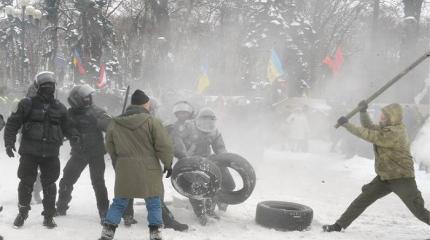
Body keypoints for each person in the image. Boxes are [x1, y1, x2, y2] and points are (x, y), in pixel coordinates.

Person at [323, 101, 430, 232]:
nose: (381, 118)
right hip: (384, 177)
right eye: (381, 115)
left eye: (384, 116)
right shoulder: (387, 128)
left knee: (419, 211)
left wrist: (347, 125)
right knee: (362, 200)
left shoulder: (395, 133)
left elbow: (369, 135)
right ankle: (339, 225)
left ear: (393, 117)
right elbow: (369, 128)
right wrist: (363, 112)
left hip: (401, 178)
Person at [4, 71, 75, 228]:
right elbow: (12, 124)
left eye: (50, 86)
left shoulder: (60, 108)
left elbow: (69, 128)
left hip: (50, 153)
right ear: (37, 87)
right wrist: (8, 143)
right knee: (26, 182)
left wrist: (76, 141)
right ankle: (22, 213)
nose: (48, 89)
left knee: (50, 184)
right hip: (30, 152)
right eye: (45, 86)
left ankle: (49, 216)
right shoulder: (26, 103)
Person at [99, 90, 173, 240]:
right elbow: (163, 145)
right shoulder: (152, 121)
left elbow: (110, 146)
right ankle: (155, 234)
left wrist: (118, 162)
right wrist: (168, 162)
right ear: (146, 104)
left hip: (125, 168)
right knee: (154, 202)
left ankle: (108, 232)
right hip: (149, 168)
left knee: (119, 202)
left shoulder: (115, 122)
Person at [56, 85, 110, 223]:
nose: (87, 99)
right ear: (76, 99)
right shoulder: (70, 114)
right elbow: (65, 129)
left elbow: (108, 123)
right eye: (84, 97)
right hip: (79, 153)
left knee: (98, 183)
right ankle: (61, 206)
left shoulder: (95, 110)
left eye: (88, 97)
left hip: (96, 153)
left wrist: (99, 121)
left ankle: (104, 213)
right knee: (67, 179)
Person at [173, 107, 235, 226]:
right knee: (197, 186)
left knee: (226, 183)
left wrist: (224, 159)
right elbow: (177, 140)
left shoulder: (215, 132)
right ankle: (201, 213)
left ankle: (215, 205)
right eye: (205, 121)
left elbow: (220, 148)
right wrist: (183, 154)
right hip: (189, 161)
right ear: (199, 119)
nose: (207, 124)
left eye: (210, 121)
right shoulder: (188, 127)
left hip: (208, 160)